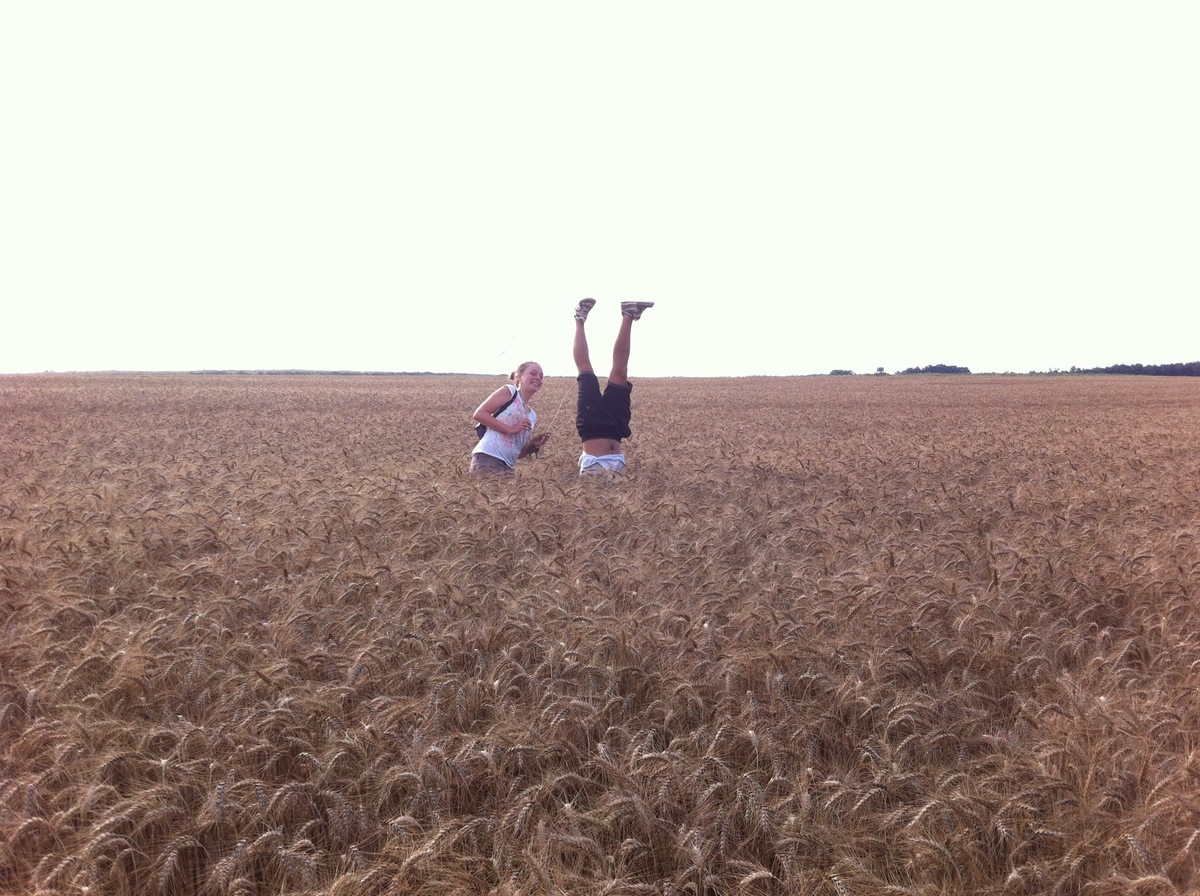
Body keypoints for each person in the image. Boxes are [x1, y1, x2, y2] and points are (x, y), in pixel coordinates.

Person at [572, 298, 654, 474]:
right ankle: (629, 314)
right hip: (602, 457)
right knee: (620, 373)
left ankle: (580, 318)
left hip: (596, 434)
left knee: (586, 372)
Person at [470, 361, 551, 475]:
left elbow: (517, 453)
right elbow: (479, 414)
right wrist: (511, 429)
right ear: (518, 376)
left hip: (509, 467)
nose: (538, 378)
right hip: (488, 459)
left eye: (541, 376)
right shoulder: (510, 392)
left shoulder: (532, 415)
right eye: (533, 373)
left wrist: (533, 444)